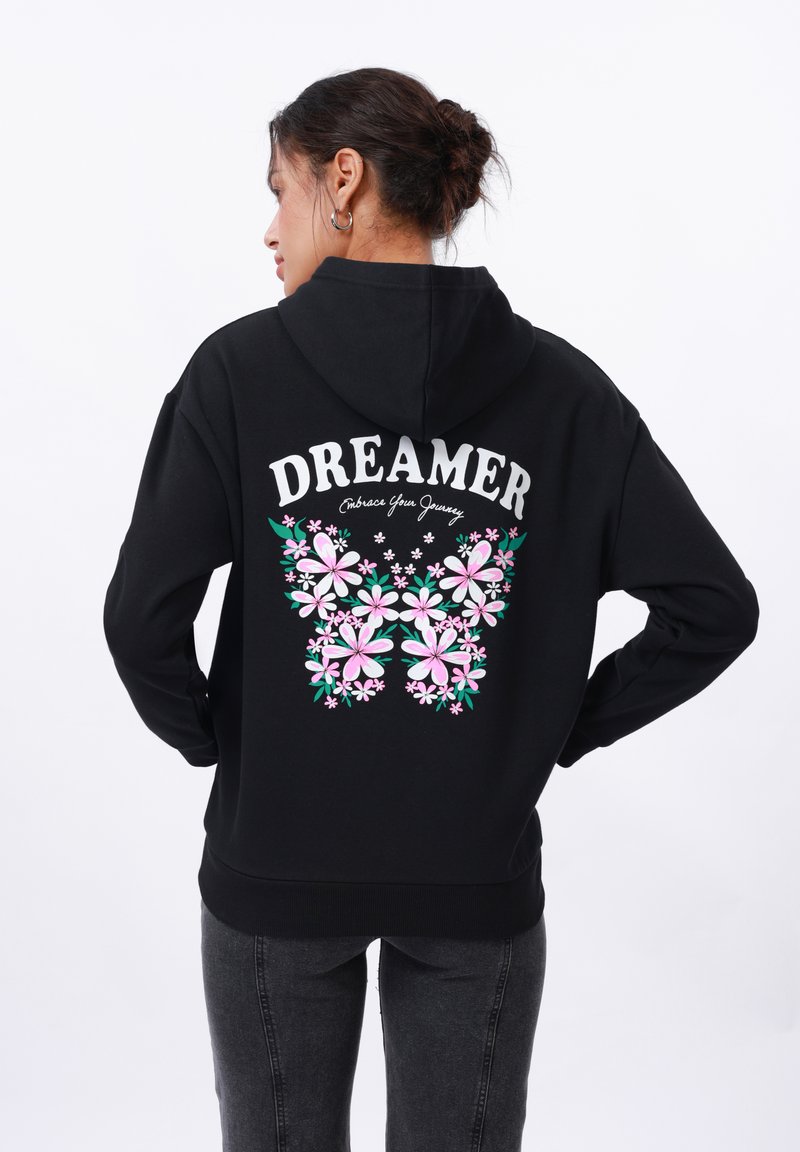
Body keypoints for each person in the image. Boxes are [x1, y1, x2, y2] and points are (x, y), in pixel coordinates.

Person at [102, 66, 759, 1152]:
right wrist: (548, 726)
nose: (269, 229)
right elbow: (713, 607)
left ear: (343, 180)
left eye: (279, 191)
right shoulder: (564, 393)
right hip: (474, 868)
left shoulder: (236, 375)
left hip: (275, 862)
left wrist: (218, 740)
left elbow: (140, 618)